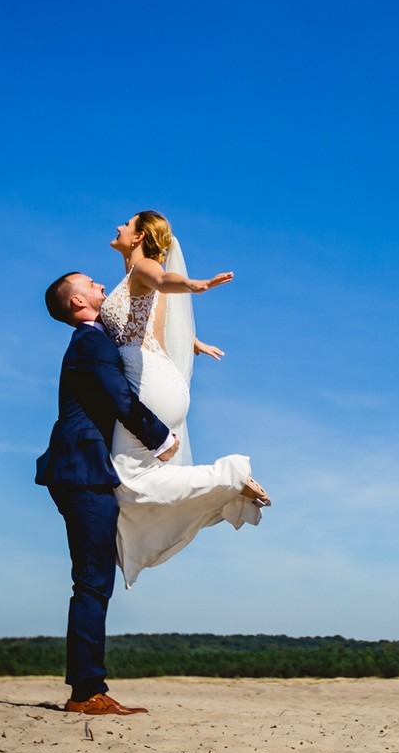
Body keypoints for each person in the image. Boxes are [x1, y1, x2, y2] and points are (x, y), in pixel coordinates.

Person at [101, 210, 269, 587]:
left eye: (126, 224)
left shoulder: (143, 269)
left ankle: (230, 476)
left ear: (140, 236)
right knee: (142, 480)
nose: (118, 227)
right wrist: (192, 343)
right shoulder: (131, 279)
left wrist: (195, 285)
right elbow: (156, 320)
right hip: (162, 378)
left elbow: (164, 280)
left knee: (130, 481)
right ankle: (226, 487)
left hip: (146, 382)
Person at [36, 271, 174, 716]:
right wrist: (161, 438)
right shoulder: (89, 343)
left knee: (94, 582)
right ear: (78, 302)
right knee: (92, 583)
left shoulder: (97, 339)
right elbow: (118, 397)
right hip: (82, 471)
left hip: (84, 470)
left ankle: (88, 687)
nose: (101, 288)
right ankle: (85, 693)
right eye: (93, 284)